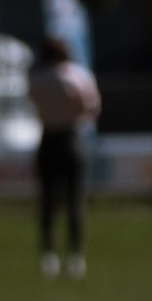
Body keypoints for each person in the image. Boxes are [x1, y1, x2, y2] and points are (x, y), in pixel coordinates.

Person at [30, 31, 102, 277]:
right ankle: (75, 256)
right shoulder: (76, 75)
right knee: (75, 200)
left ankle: (49, 254)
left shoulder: (37, 77)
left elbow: (32, 100)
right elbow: (90, 105)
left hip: (48, 137)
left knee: (48, 201)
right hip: (71, 138)